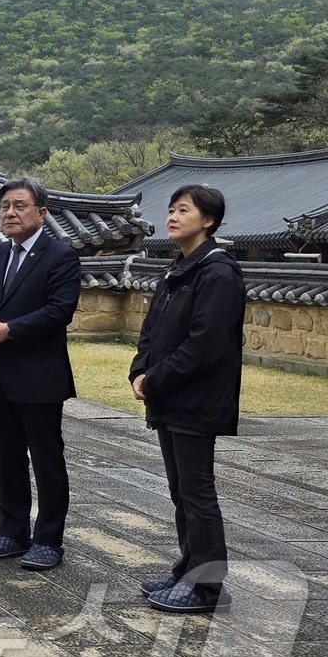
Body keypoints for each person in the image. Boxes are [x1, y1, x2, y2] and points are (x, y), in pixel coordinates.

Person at [130, 185, 243, 614]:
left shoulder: (218, 273)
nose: (173, 217)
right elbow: (152, 328)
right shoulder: (178, 268)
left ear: (208, 220)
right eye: (171, 209)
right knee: (181, 490)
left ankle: (208, 587)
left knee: (197, 492)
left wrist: (155, 379)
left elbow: (204, 345)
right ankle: (188, 568)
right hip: (170, 397)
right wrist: (139, 370)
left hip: (195, 400)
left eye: (184, 210)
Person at [0, 177, 81, 571]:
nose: (9, 213)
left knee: (47, 459)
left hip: (39, 376)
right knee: (7, 456)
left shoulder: (60, 257)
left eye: (19, 206)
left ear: (41, 213)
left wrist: (8, 330)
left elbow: (59, 310)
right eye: (4, 207)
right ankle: (13, 531)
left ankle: (49, 539)